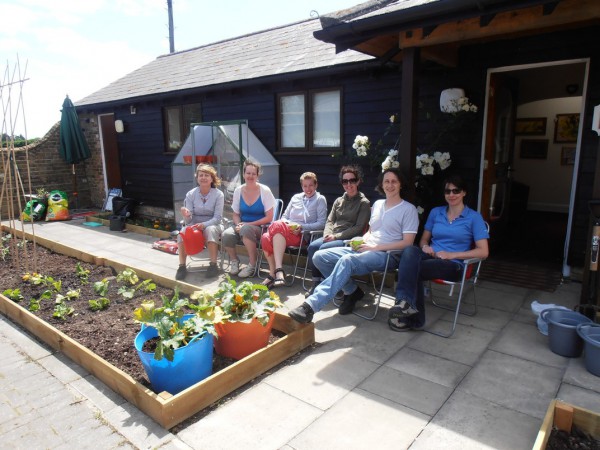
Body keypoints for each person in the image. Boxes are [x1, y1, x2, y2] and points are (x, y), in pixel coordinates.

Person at [289, 167, 419, 323]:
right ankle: (352, 290)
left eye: (394, 182)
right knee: (319, 256)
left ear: (401, 184)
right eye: (386, 181)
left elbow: (407, 243)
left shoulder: (408, 209)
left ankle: (310, 307)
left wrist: (374, 248)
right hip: (365, 248)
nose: (390, 185)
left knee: (347, 261)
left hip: (387, 254)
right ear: (381, 184)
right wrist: (361, 240)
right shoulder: (378, 204)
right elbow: (371, 231)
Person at [387, 174, 489, 332]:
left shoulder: (474, 218)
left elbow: (483, 252)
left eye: (456, 191)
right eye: (448, 191)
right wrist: (426, 246)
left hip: (455, 265)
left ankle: (412, 315)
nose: (451, 195)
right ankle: (405, 304)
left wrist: (451, 255)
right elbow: (423, 240)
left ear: (464, 193)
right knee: (410, 250)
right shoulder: (436, 212)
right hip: (431, 256)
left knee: (413, 269)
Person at [304, 165, 371, 296]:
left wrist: (336, 236)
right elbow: (330, 221)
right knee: (312, 247)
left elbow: (358, 228)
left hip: (347, 239)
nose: (348, 184)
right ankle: (317, 283)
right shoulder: (338, 201)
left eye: (352, 180)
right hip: (332, 236)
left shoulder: (363, 203)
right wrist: (327, 234)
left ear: (358, 181)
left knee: (323, 248)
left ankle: (333, 284)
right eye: (345, 181)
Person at [260, 172, 327, 288]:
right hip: (285, 232)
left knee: (276, 225)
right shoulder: (296, 198)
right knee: (265, 237)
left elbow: (322, 224)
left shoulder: (320, 199)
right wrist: (288, 224)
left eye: (311, 185)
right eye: (305, 186)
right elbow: (285, 217)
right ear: (302, 186)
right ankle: (274, 273)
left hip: (302, 235)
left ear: (316, 185)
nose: (308, 189)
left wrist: (302, 227)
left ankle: (278, 271)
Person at [222, 158, 276, 278]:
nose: (250, 176)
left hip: (260, 227)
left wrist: (247, 224)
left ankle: (252, 264)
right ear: (243, 174)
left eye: (253, 173)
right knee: (227, 234)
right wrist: (238, 224)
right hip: (242, 225)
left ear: (258, 175)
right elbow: (235, 214)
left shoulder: (265, 191)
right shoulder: (238, 190)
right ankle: (235, 261)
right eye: (248, 173)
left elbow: (269, 217)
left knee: (246, 229)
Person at [176, 164, 225, 280]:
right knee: (182, 232)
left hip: (213, 224)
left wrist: (204, 225)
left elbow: (218, 217)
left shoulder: (219, 194)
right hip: (194, 225)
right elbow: (188, 220)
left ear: (212, 178)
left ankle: (213, 265)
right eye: (201, 175)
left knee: (210, 230)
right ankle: (182, 266)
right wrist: (186, 215)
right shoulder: (191, 194)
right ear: (197, 178)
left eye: (206, 175)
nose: (203, 178)